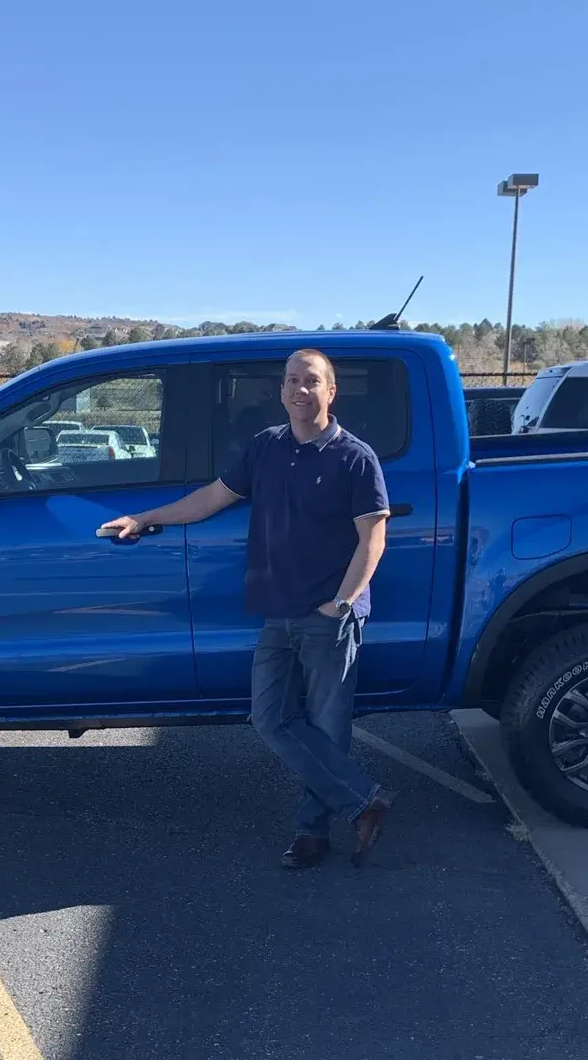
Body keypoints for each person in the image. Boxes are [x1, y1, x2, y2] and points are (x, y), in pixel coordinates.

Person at [99, 347, 394, 869]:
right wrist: (145, 517)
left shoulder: (355, 456)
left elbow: (373, 540)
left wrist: (340, 604)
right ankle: (362, 799)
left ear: (331, 391)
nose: (300, 390)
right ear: (281, 391)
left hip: (329, 612)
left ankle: (312, 833)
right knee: (270, 716)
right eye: (291, 381)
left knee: (327, 727)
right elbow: (210, 498)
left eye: (311, 381)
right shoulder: (267, 448)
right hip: (276, 610)